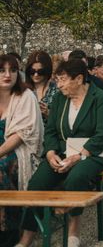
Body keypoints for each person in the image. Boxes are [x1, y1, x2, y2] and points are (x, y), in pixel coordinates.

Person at [18, 59, 103, 247]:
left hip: (93, 153)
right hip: (63, 152)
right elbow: (52, 130)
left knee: (76, 177)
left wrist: (79, 155)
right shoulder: (60, 98)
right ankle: (27, 237)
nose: (58, 84)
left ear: (78, 79)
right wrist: (50, 152)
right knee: (37, 183)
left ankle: (73, 230)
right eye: (57, 79)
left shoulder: (100, 97)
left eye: (62, 79)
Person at [0, 54, 44, 244]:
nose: (7, 75)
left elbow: (21, 135)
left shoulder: (26, 96)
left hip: (18, 152)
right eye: (2, 70)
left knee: (3, 167)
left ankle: (7, 229)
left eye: (13, 70)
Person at [24, 50, 58, 123]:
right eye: (32, 71)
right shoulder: (22, 89)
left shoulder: (57, 90)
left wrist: (48, 113)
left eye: (40, 72)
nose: (36, 75)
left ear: (47, 70)